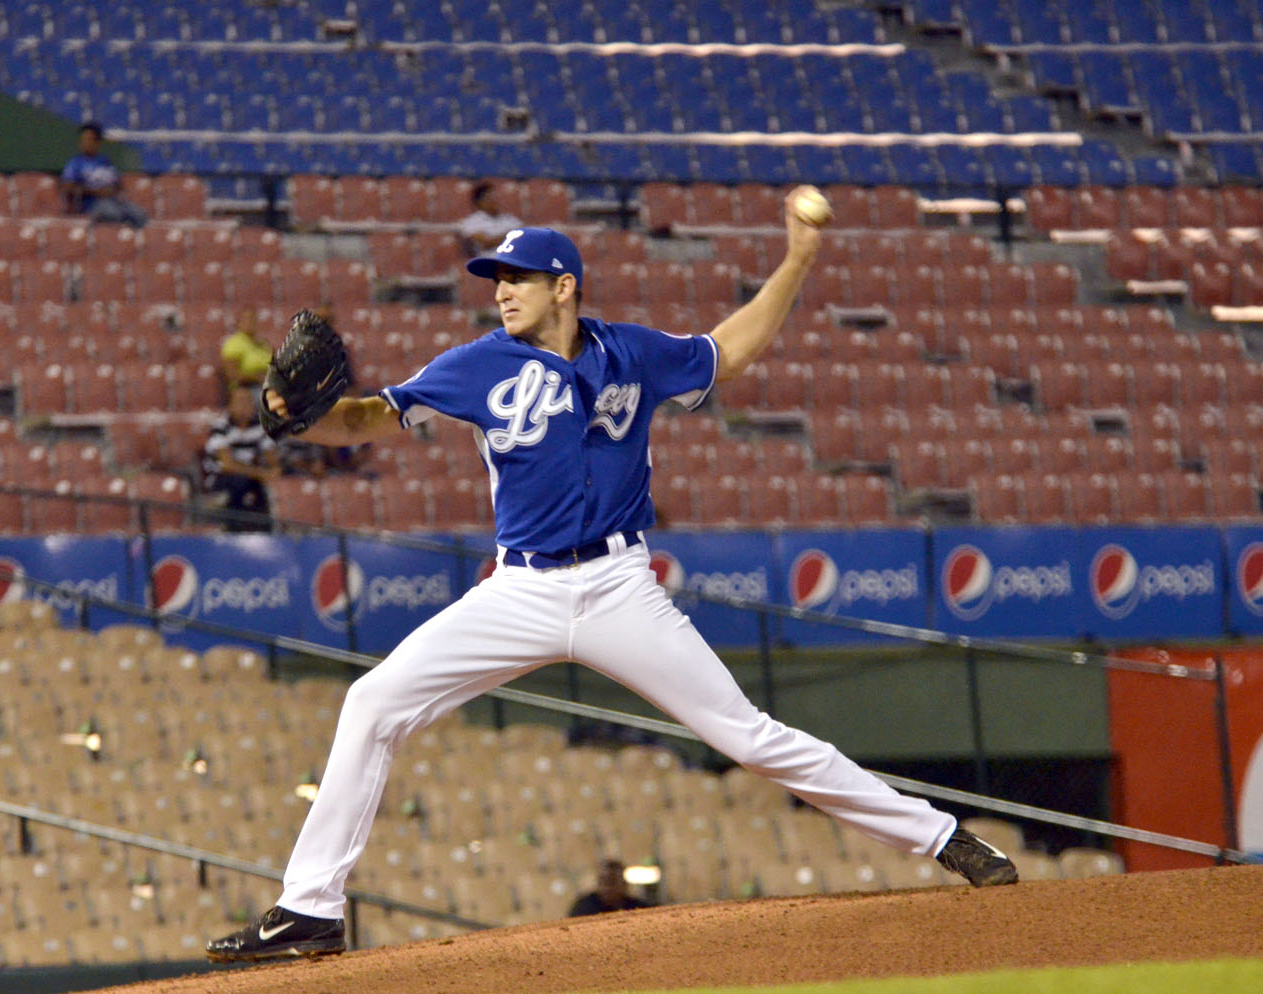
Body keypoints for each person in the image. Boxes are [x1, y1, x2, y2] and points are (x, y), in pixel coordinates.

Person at [205, 189, 1017, 965]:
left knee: (749, 735)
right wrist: (294, 416)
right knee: (373, 702)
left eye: (516, 278)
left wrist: (799, 256)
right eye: (495, 280)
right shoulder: (475, 365)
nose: (500, 293)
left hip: (620, 587)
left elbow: (729, 350)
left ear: (565, 286)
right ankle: (311, 908)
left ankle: (943, 837)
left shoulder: (631, 350)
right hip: (518, 590)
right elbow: (367, 419)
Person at [199, 385, 279, 532]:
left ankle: (266, 532)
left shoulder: (260, 426)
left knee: (264, 489)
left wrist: (274, 471)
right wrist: (262, 473)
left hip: (252, 476)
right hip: (220, 478)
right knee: (239, 483)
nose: (245, 406)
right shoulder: (221, 427)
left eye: (248, 401)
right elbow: (227, 465)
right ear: (230, 405)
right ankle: (232, 530)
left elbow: (271, 458)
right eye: (240, 401)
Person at [60, 121, 148, 228]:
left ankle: (129, 242)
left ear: (97, 143)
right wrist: (96, 192)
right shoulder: (75, 163)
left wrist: (113, 190)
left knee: (140, 215)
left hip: (113, 201)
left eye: (90, 140)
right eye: (83, 139)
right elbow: (67, 187)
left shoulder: (105, 162)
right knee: (113, 214)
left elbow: (118, 184)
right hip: (92, 204)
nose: (86, 143)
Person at [567, 859, 654, 917]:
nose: (607, 888)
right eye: (603, 882)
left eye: (612, 882)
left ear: (624, 884)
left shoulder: (638, 908)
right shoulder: (584, 908)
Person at [458, 181, 523, 255]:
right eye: (490, 197)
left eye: (496, 197)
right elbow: (486, 243)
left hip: (511, 262)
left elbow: (522, 238)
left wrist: (500, 238)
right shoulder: (471, 222)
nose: (495, 200)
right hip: (487, 262)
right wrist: (511, 236)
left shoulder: (510, 219)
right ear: (479, 202)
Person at [220, 308, 275, 390]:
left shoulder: (263, 344)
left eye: (254, 320)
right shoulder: (234, 343)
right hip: (247, 388)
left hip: (268, 385)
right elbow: (232, 374)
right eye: (247, 319)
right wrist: (257, 377)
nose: (250, 323)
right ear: (239, 322)